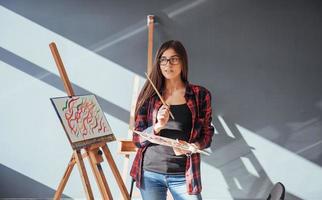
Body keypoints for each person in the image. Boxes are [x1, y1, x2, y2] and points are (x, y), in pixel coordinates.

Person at [130, 40, 214, 200]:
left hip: (184, 174)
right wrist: (157, 126)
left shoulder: (200, 95)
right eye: (163, 59)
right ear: (158, 63)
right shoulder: (149, 95)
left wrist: (193, 146)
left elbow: (207, 133)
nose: (168, 64)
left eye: (174, 59)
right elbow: (137, 139)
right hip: (150, 172)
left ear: (183, 61)